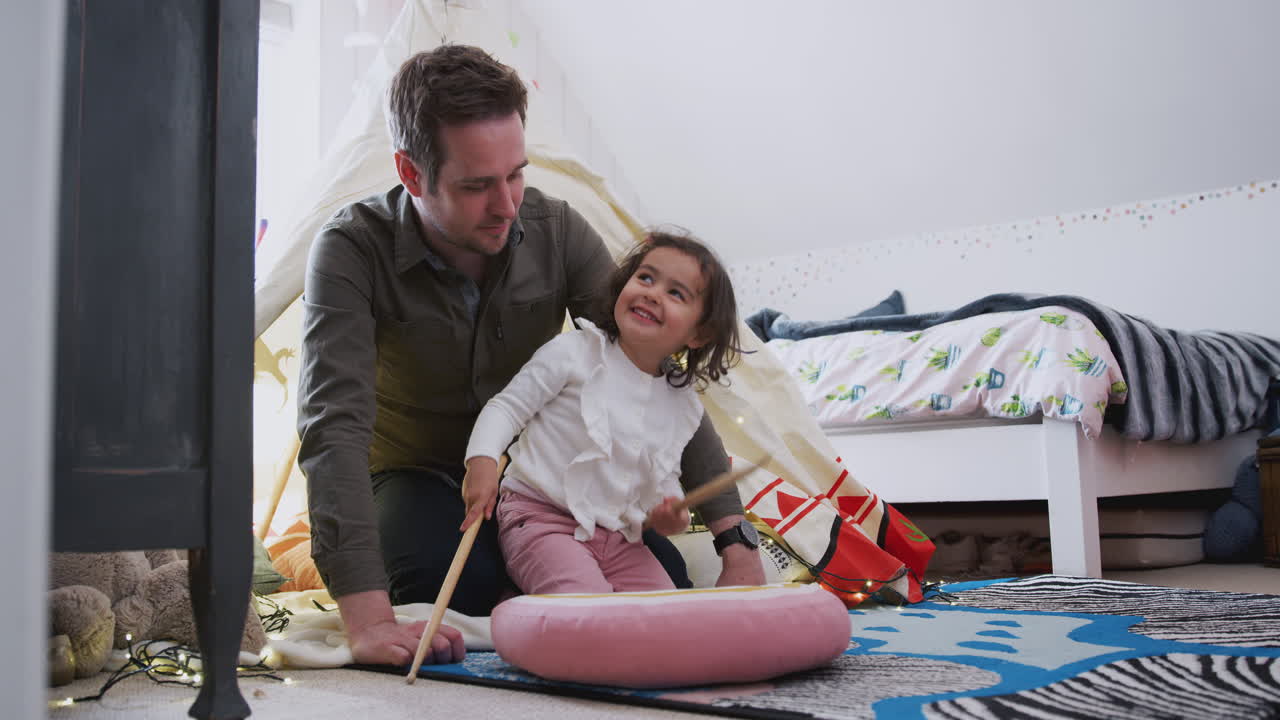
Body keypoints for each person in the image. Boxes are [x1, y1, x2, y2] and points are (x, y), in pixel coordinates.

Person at [296, 44, 765, 668]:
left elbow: (654, 374)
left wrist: (736, 541)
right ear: (411, 175)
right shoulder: (349, 251)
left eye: (516, 173)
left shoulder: (558, 229)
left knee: (668, 584)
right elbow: (334, 429)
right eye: (476, 186)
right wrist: (366, 619)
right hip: (416, 477)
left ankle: (540, 596)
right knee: (442, 591)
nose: (508, 205)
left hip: (545, 484)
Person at [462, 232, 743, 594]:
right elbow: (507, 407)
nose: (652, 293)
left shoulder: (682, 404)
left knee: (667, 610)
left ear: (699, 334)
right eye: (645, 277)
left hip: (620, 537)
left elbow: (664, 480)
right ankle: (537, 598)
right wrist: (481, 459)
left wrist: (673, 514)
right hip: (540, 516)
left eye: (676, 293)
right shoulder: (574, 351)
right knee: (588, 605)